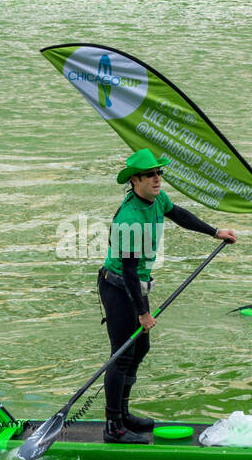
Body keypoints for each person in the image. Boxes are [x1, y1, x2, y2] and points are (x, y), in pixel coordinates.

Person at [99, 148, 236, 444]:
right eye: (150, 175)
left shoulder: (156, 198)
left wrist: (215, 232)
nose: (157, 179)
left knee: (141, 348)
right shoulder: (130, 218)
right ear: (135, 181)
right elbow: (131, 272)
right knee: (122, 355)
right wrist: (143, 313)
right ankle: (113, 426)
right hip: (119, 286)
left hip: (136, 284)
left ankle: (122, 413)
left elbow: (178, 214)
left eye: (160, 173)